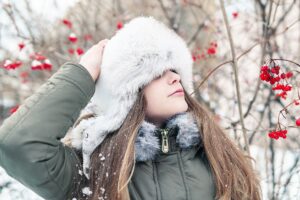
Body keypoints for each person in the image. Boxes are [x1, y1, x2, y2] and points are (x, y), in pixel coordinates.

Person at [0, 16, 262, 200]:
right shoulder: (92, 169)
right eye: (158, 72)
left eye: (175, 69)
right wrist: (84, 73)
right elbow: (18, 145)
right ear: (126, 93)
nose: (174, 77)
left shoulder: (216, 155)